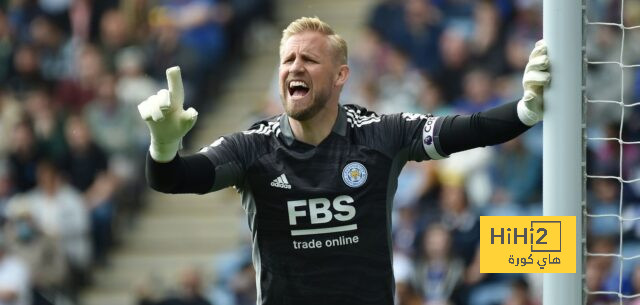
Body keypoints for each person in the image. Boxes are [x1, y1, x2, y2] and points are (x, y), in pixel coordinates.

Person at [138, 17, 550, 305]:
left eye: (309, 60)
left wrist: (526, 110)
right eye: (288, 60)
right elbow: (175, 179)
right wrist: (163, 147)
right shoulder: (252, 147)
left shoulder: (380, 135)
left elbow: (466, 129)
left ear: (340, 76)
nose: (295, 67)